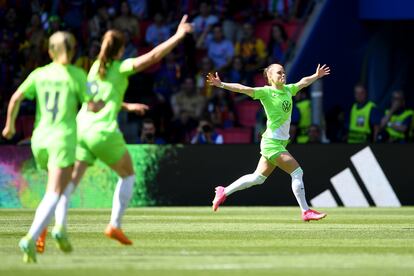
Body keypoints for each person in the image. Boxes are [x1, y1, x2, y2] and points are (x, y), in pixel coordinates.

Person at [37, 15, 193, 248]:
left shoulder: (94, 69)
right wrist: (179, 35)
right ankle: (114, 225)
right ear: (120, 51)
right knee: (128, 175)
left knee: (69, 183)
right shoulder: (121, 68)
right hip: (102, 131)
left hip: (81, 129)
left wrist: (127, 105)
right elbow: (152, 57)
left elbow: (96, 99)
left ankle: (50, 227)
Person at [2, 31, 103, 263]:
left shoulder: (39, 74)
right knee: (55, 192)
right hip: (62, 138)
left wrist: (9, 126)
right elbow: (93, 105)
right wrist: (102, 97)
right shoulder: (77, 75)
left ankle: (61, 228)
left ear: (49, 51)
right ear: (74, 49)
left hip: (39, 139)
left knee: (63, 185)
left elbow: (16, 97)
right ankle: (31, 237)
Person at [207, 63, 330, 221]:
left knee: (257, 178)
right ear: (270, 77)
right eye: (279, 73)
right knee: (297, 172)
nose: (283, 75)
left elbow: (303, 82)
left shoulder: (288, 89)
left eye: (284, 72)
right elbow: (242, 88)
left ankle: (224, 191)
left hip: (279, 142)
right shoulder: (266, 92)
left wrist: (316, 75)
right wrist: (221, 84)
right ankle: (306, 211)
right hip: (272, 143)